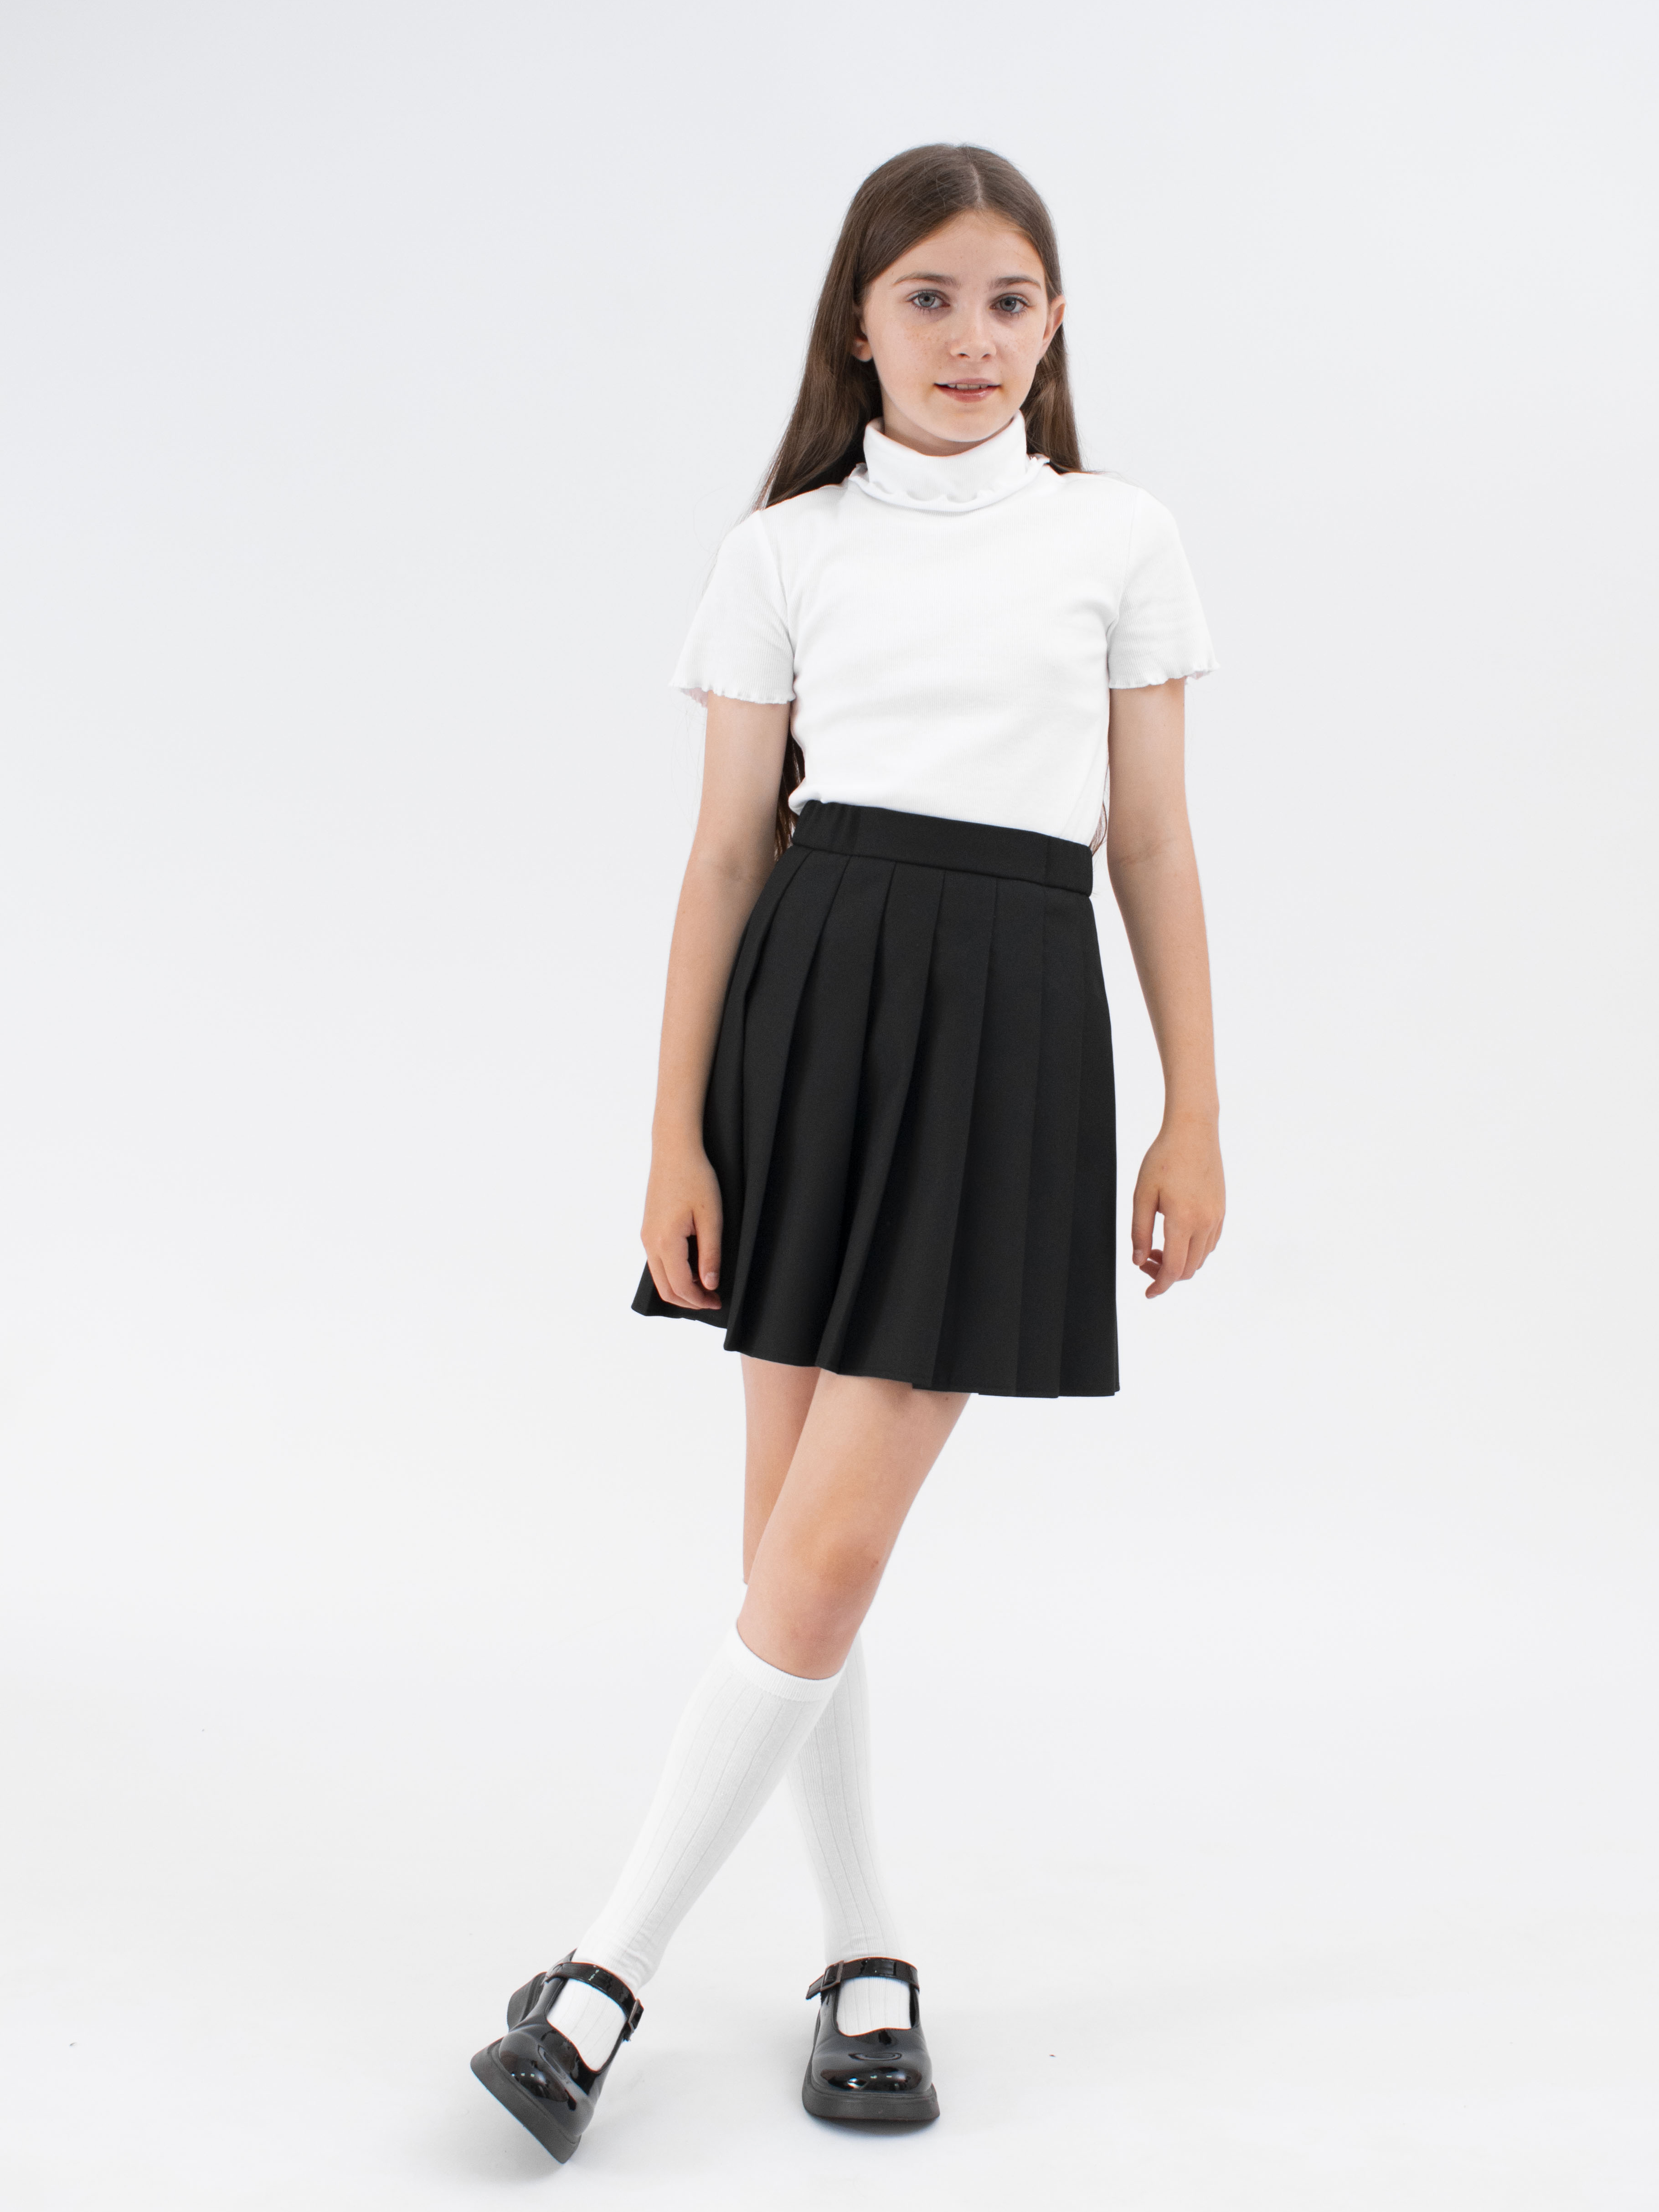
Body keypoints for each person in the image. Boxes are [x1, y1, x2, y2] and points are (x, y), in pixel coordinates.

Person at [471, 141, 1224, 2164]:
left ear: (1055, 323)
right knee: (790, 1548)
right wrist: (672, 1136)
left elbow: (1151, 843)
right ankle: (863, 1953)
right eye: (929, 298)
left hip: (1004, 1032)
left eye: (1009, 299)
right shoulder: (785, 549)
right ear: (859, 322)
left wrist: (1195, 1106)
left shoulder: (1120, 536)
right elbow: (726, 856)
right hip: (807, 1017)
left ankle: (602, 1971)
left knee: (830, 1540)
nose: (973, 338)